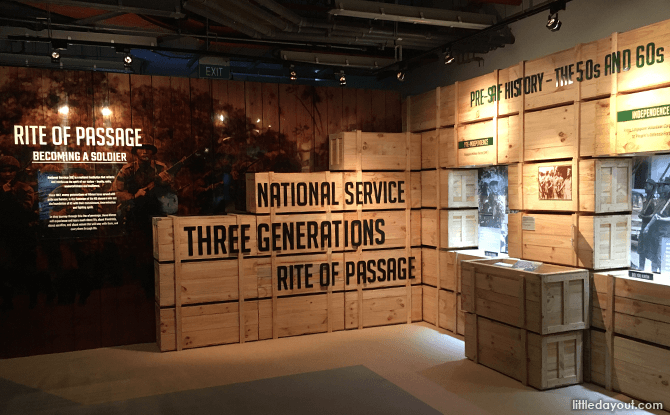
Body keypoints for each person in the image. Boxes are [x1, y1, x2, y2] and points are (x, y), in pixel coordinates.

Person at [111, 143, 177, 225]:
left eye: (148, 148)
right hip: (134, 211)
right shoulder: (127, 170)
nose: (145, 151)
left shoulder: (161, 168)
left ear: (152, 151)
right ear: (136, 151)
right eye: (141, 148)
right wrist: (134, 196)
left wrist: (164, 185)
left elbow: (173, 192)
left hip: (156, 209)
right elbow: (115, 192)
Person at [642, 178, 670, 273]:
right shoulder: (662, 200)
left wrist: (661, 219)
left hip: (665, 233)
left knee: (660, 257)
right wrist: (648, 227)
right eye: (661, 185)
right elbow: (655, 215)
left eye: (664, 185)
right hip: (656, 231)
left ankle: (661, 276)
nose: (662, 187)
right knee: (653, 256)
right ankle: (654, 274)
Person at [638, 178, 658, 271]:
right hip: (644, 225)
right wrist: (641, 214)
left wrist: (645, 216)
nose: (645, 187)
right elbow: (643, 210)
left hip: (650, 227)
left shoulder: (654, 199)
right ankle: (641, 267)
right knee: (641, 247)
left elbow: (655, 215)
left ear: (652, 187)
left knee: (651, 249)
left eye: (647, 186)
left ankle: (653, 270)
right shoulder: (646, 198)